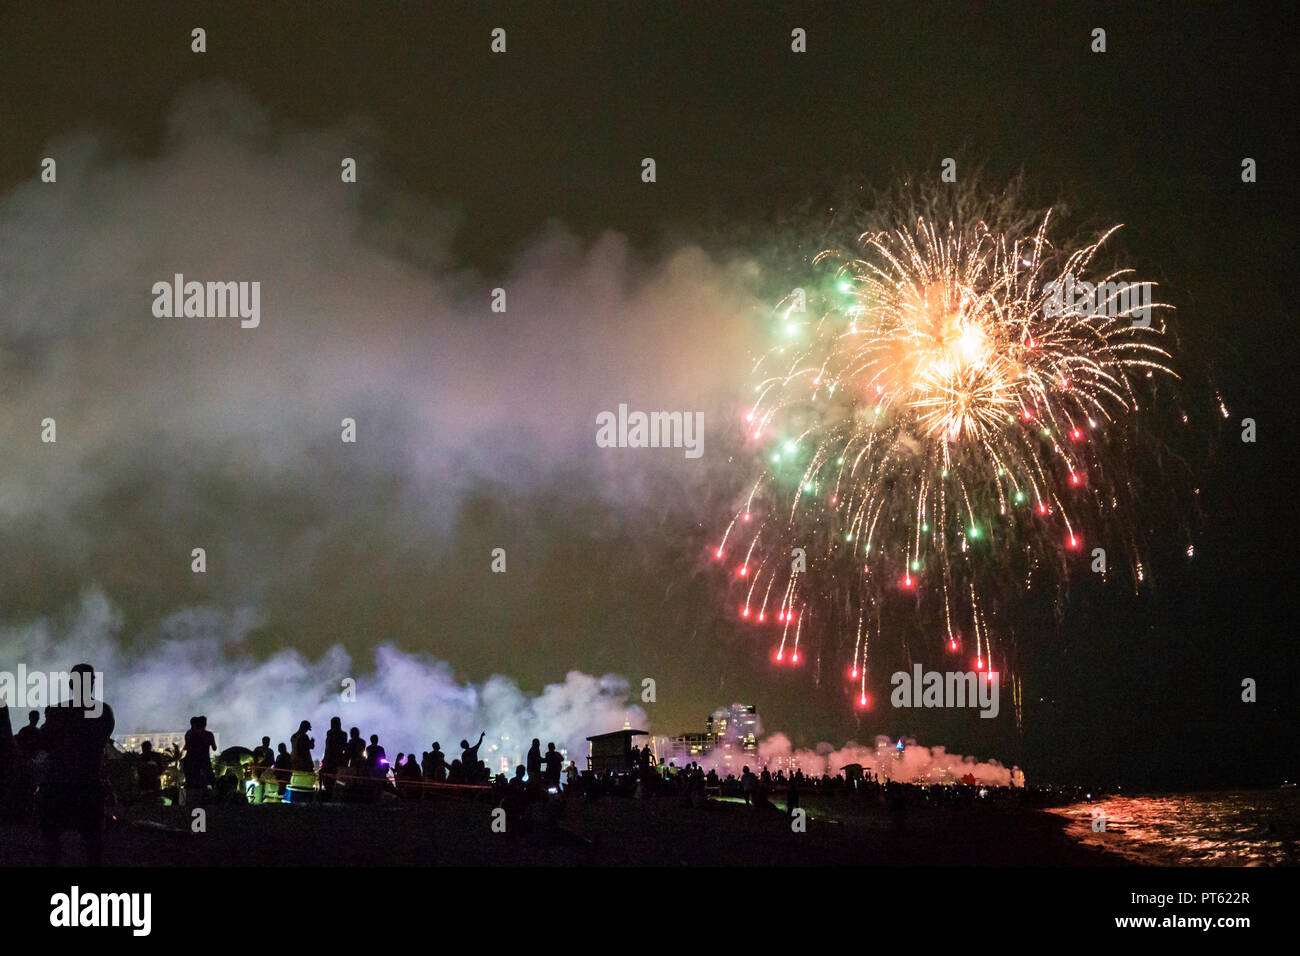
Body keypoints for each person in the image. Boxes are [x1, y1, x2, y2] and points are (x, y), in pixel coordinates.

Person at [38, 665, 115, 865]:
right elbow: (101, 741)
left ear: (71, 684)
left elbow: (45, 742)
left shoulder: (57, 711)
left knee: (52, 841)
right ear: (92, 684)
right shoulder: (104, 712)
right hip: (89, 782)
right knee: (93, 841)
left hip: (59, 783)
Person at [321, 717, 347, 796]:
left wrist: (325, 759)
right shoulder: (343, 734)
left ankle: (330, 794)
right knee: (337, 779)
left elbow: (328, 747)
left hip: (331, 759)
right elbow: (343, 747)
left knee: (329, 779)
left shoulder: (330, 733)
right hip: (337, 759)